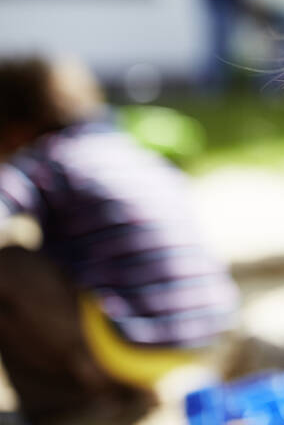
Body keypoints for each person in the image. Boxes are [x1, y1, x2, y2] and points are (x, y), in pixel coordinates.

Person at [0, 57, 238, 424]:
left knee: (10, 265)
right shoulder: (131, 153)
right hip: (209, 340)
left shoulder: (44, 160)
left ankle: (69, 407)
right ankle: (124, 391)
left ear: (14, 130)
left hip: (132, 347)